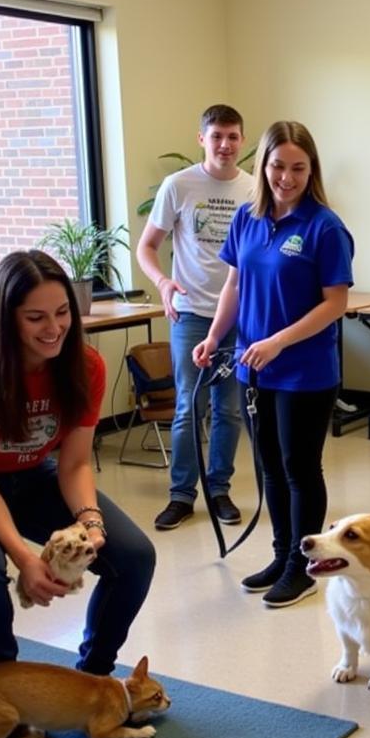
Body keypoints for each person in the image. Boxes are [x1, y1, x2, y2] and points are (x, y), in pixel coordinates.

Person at [0, 250, 156, 684]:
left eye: (62, 312)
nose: (54, 328)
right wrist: (24, 557)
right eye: (35, 318)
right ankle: (6, 691)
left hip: (33, 475)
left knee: (133, 556)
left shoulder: (84, 365)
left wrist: (92, 523)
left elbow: (75, 463)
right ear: (7, 319)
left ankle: (92, 680)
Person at [194, 121, 354, 608]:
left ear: (312, 170)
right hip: (253, 367)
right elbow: (234, 287)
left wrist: (279, 342)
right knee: (267, 467)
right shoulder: (247, 218)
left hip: (305, 371)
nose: (287, 177)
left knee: (298, 467)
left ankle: (303, 567)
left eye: (298, 168)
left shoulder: (324, 227)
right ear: (262, 166)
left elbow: (335, 303)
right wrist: (214, 335)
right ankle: (282, 553)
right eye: (278, 166)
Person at [136, 104, 254, 531]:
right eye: (217, 136)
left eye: (233, 137)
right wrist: (163, 283)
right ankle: (182, 495)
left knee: (229, 409)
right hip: (191, 314)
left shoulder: (255, 190)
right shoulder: (179, 185)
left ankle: (218, 489)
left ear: (242, 140)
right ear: (201, 139)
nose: (225, 145)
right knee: (189, 405)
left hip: (241, 316)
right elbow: (146, 247)